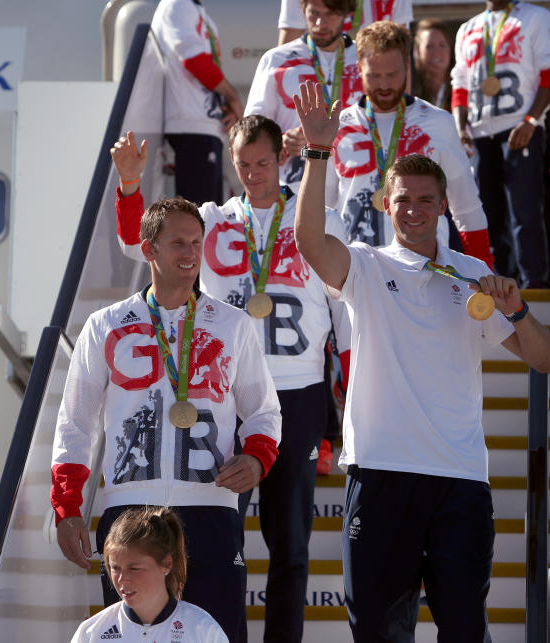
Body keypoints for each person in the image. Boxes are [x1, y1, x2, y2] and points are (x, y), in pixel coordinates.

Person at [292, 79, 550, 641]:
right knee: (378, 633)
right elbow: (311, 243)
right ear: (386, 206)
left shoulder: (470, 276)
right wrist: (319, 153)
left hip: (458, 482)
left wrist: (517, 313)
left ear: (442, 206)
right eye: (403, 200)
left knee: (463, 632)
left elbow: (547, 360)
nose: (413, 210)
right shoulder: (365, 266)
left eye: (425, 200)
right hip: (381, 473)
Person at [111, 116, 347, 643]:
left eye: (263, 163)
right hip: (224, 399)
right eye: (243, 164)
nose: (254, 173)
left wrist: (349, 393)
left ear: (280, 159)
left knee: (290, 545)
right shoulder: (212, 219)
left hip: (298, 393)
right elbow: (137, 242)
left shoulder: (317, 217)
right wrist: (130, 186)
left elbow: (345, 311)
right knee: (215, 540)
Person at [51, 196, 281, 643]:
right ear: (149, 247)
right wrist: (67, 508)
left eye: (197, 242)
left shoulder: (232, 325)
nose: (192, 254)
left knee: (221, 634)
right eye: (178, 243)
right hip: (130, 510)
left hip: (211, 508)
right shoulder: (105, 325)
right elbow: (75, 424)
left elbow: (264, 412)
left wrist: (256, 459)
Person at [327, 20, 494, 266]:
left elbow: (466, 209)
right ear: (358, 70)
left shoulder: (439, 122)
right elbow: (325, 212)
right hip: (356, 272)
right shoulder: (337, 126)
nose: (384, 85)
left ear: (407, 66)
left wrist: (484, 273)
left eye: (392, 74)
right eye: (374, 75)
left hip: (426, 271)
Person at [451, 1, 550, 288]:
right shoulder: (467, 28)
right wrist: (459, 128)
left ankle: (533, 284)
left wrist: (530, 120)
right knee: (485, 214)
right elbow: (460, 84)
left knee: (524, 211)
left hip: (520, 126)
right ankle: (494, 281)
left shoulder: (536, 17)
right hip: (478, 133)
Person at [245, 0, 363, 192]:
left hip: (350, 192)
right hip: (294, 191)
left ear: (347, 13)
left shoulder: (366, 60)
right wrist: (279, 141)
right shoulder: (276, 59)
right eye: (313, 13)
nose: (319, 23)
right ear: (302, 10)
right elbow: (250, 129)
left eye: (330, 14)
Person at [71, 507, 228, 643]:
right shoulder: (92, 632)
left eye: (134, 568)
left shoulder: (202, 628)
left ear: (166, 564)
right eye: (115, 568)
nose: (122, 579)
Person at [152, 0, 244, 205]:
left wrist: (224, 103)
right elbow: (195, 60)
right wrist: (232, 96)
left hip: (206, 126)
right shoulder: (177, 4)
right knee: (199, 221)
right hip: (192, 126)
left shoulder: (194, 10)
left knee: (208, 220)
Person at [277, 0, 413, 45]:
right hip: (314, 82)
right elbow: (287, 48)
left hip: (372, 86)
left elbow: (401, 52)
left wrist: (404, 107)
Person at [412, 18, 454, 111]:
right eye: (429, 46)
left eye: (442, 45)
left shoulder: (461, 92)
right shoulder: (410, 94)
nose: (436, 52)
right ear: (418, 52)